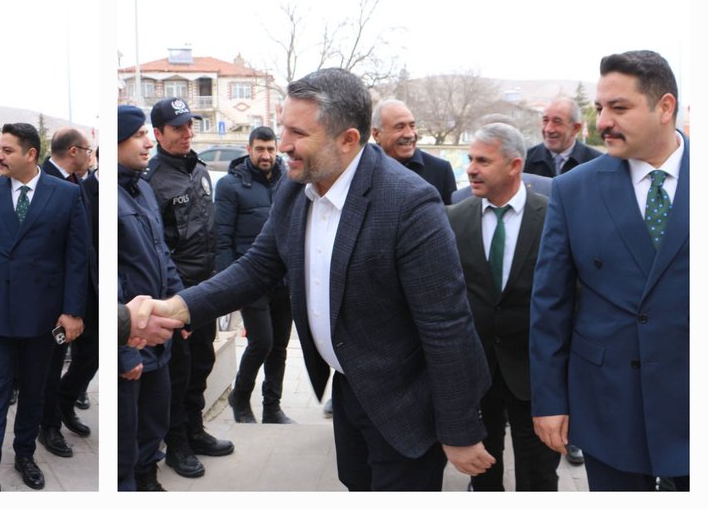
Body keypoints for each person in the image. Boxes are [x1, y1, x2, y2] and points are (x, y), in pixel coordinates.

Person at [140, 69, 493, 491]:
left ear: (347, 139)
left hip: (405, 405)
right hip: (349, 389)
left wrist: (459, 430)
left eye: (297, 132)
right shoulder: (296, 190)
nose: (283, 143)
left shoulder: (409, 204)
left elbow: (447, 325)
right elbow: (257, 267)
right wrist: (177, 310)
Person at [530, 50, 688, 490]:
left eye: (619, 108)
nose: (603, 121)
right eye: (600, 108)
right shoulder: (572, 190)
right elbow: (549, 305)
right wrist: (548, 401)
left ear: (665, 107)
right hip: (609, 405)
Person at [0, 122, 90, 491]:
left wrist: (72, 311)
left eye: (7, 150)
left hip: (44, 314)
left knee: (34, 389)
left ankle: (25, 454)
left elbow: (78, 258)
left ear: (31, 154)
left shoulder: (65, 194)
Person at [446, 124, 558, 491]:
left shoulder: (554, 217)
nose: (471, 169)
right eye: (470, 159)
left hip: (535, 375)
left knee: (538, 477)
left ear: (514, 165)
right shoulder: (453, 218)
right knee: (482, 475)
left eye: (482, 160)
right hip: (476, 374)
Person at [144, 98, 232, 478]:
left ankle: (195, 429)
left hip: (206, 289)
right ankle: (176, 441)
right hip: (178, 296)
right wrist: (177, 302)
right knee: (177, 373)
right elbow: (158, 248)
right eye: (177, 128)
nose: (187, 133)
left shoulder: (199, 170)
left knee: (202, 363)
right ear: (158, 133)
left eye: (189, 126)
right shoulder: (152, 181)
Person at [118, 107, 184, 491]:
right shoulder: (100, 196)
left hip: (159, 333)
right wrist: (125, 350)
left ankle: (147, 478)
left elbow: (161, 255)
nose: (148, 142)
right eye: (138, 135)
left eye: (147, 133)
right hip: (131, 338)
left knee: (154, 423)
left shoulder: (142, 187)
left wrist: (182, 308)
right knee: (125, 435)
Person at [214, 126, 293, 424]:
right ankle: (241, 398)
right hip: (252, 278)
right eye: (260, 149)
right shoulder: (230, 186)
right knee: (262, 342)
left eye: (271, 149)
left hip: (285, 279)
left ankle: (272, 407)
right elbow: (222, 238)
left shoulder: (289, 181)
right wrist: (228, 287)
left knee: (280, 347)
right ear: (249, 150)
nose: (266, 155)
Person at [39, 128, 98, 456]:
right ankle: (48, 425)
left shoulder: (83, 184)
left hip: (87, 288)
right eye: (87, 150)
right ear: (74, 151)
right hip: (54, 295)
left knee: (94, 350)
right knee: (52, 360)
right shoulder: (43, 181)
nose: (90, 156)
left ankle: (65, 399)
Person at [371, 98, 457, 204]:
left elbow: (451, 217)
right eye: (399, 127)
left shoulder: (440, 170)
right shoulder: (361, 167)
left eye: (412, 126)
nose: (410, 134)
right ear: (376, 134)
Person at [524, 96, 600, 177]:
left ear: (575, 128)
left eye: (557, 122)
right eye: (545, 120)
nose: (548, 129)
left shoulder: (597, 164)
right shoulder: (525, 160)